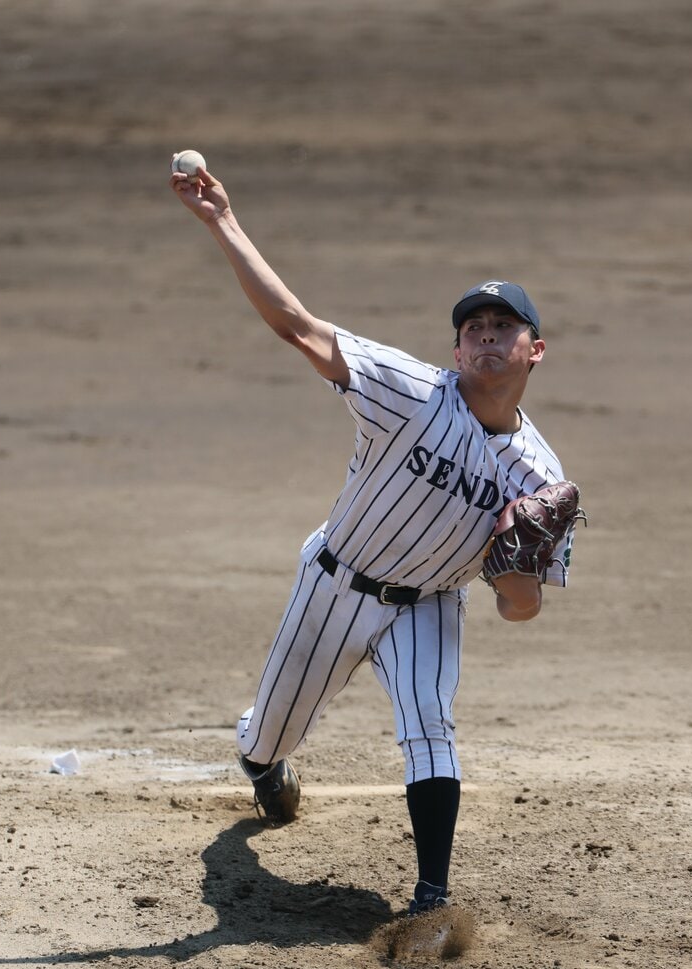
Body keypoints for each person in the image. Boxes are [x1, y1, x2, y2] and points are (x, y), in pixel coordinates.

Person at [169, 162, 577, 916]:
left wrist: (509, 567)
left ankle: (430, 900)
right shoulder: (411, 392)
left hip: (426, 604)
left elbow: (520, 610)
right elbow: (296, 325)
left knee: (430, 725)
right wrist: (221, 219)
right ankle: (261, 765)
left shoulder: (540, 478)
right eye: (472, 328)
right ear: (457, 352)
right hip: (334, 582)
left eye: (503, 326)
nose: (485, 334)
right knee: (271, 739)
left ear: (534, 350)